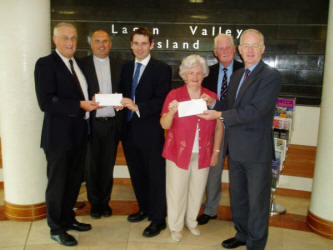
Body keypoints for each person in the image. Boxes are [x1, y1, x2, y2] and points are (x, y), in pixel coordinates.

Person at [199, 29, 280, 250]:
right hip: (236, 150)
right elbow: (228, 105)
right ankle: (242, 234)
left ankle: (255, 244)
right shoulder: (237, 75)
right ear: (240, 50)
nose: (250, 50)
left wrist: (220, 115)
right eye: (246, 46)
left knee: (257, 202)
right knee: (239, 198)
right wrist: (212, 103)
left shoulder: (270, 76)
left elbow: (256, 111)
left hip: (256, 153)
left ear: (262, 49)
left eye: (255, 45)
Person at [34, 22, 99, 246]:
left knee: (73, 182)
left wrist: (93, 101)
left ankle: (68, 218)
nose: (70, 42)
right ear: (55, 40)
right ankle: (56, 227)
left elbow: (81, 93)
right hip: (58, 137)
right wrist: (79, 105)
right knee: (57, 184)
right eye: (65, 38)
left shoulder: (77, 64)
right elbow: (47, 101)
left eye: (73, 38)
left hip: (79, 135)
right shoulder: (45, 64)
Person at [160, 54, 223, 242]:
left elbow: (219, 125)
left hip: (203, 152)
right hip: (178, 152)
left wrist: (217, 151)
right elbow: (164, 124)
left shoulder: (211, 97)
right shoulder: (174, 95)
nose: (195, 77)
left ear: (204, 75)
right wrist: (171, 112)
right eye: (191, 73)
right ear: (184, 75)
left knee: (197, 190)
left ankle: (191, 221)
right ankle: (176, 226)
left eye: (198, 73)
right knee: (176, 191)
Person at [119, 27, 171, 237]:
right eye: (136, 43)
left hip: (150, 131)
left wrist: (137, 106)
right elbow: (122, 94)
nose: (139, 47)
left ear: (151, 45)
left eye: (144, 43)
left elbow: (161, 101)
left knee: (156, 176)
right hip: (128, 130)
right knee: (137, 173)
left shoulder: (162, 69)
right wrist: (119, 104)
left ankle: (158, 219)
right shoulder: (125, 67)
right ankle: (144, 209)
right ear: (131, 45)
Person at [198, 33, 244, 226]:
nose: (224, 51)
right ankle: (210, 209)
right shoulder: (208, 73)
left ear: (234, 50)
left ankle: (240, 212)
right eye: (220, 49)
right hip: (214, 128)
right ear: (215, 52)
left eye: (228, 48)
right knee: (213, 171)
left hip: (239, 128)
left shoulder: (245, 71)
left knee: (239, 172)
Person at [81, 30, 122, 219]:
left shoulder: (119, 64)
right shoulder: (81, 65)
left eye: (105, 41)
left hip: (112, 123)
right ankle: (94, 204)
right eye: (97, 41)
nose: (101, 44)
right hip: (91, 124)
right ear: (91, 44)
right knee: (91, 167)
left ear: (110, 44)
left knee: (107, 166)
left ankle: (105, 203)